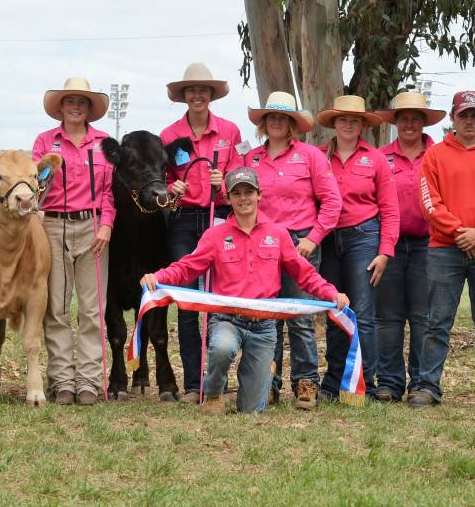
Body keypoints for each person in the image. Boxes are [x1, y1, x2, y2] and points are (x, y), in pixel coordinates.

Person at [140, 168, 349, 414]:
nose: (243, 199)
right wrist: (159, 276)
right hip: (227, 319)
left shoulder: (278, 235)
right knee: (221, 348)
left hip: (263, 327)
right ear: (227, 199)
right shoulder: (215, 236)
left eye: (249, 192)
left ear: (259, 195)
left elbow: (305, 273)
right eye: (237, 193)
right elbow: (188, 266)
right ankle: (215, 392)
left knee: (251, 409)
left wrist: (332, 294)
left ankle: (246, 385)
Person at [409, 90, 475, 409]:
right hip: (445, 248)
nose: (469, 121)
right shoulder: (435, 156)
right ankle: (428, 387)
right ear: (453, 118)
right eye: (463, 115)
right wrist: (460, 233)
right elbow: (430, 202)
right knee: (437, 321)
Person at [243, 92, 342, 410]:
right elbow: (240, 201)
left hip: (301, 243)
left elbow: (332, 201)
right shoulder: (252, 160)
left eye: (282, 117)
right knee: (266, 316)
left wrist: (313, 239)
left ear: (291, 124)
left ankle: (306, 383)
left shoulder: (311, 156)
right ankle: (267, 382)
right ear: (263, 123)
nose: (275, 121)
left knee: (299, 317)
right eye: (270, 116)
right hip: (263, 244)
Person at [159, 62, 243, 403]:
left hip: (219, 217)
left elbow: (241, 178)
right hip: (183, 219)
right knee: (189, 301)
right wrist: (170, 187)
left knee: (219, 295)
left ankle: (217, 380)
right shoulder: (168, 136)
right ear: (184, 96)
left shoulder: (229, 131)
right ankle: (194, 383)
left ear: (211, 96)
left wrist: (224, 184)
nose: (197, 95)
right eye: (191, 90)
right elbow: (159, 184)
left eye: (203, 90)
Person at [32, 77, 115, 406]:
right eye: (70, 101)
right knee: (57, 308)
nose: (76, 107)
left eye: (82, 101)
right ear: (61, 108)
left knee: (93, 310)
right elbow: (37, 185)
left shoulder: (104, 142)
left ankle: (90, 382)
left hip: (93, 226)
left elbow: (109, 191)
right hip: (53, 225)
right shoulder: (44, 141)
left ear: (90, 108)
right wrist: (44, 173)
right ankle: (63, 380)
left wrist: (106, 224)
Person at [314, 95, 399, 403]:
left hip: (364, 236)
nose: (349, 125)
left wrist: (385, 250)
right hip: (328, 237)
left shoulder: (375, 159)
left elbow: (390, 208)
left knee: (361, 312)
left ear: (362, 125)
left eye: (355, 120)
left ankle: (366, 382)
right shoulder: (319, 157)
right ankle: (332, 381)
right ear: (334, 124)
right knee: (336, 309)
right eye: (343, 119)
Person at [372, 90, 446, 402]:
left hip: (428, 243)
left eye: (416, 118)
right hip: (389, 243)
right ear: (396, 122)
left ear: (424, 123)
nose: (409, 123)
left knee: (422, 316)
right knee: (388, 317)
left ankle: (421, 382)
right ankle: (389, 381)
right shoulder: (381, 156)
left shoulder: (439, 155)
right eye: (404, 118)